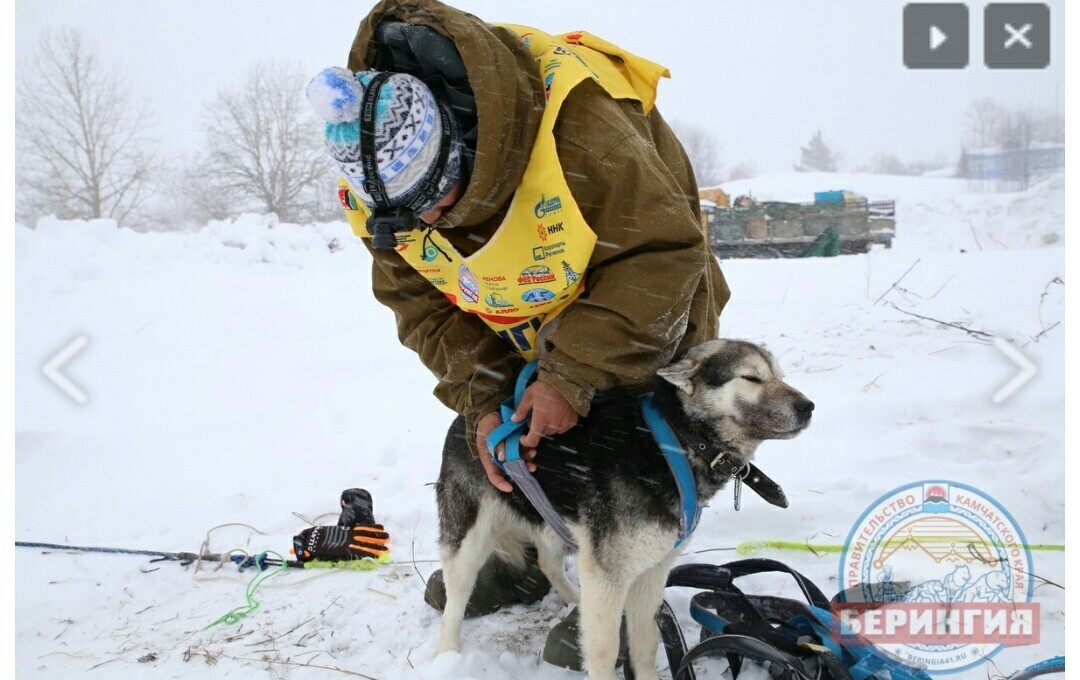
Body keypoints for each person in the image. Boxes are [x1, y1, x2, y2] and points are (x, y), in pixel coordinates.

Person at [307, 0, 730, 664]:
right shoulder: (381, 194)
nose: (433, 218)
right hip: (521, 312)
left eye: (435, 193)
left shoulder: (583, 127)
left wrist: (573, 375)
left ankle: (621, 580)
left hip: (645, 307)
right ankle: (522, 555)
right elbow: (424, 309)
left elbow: (663, 259)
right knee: (523, 437)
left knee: (625, 444)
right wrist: (483, 398)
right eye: (411, 213)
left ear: (459, 136)